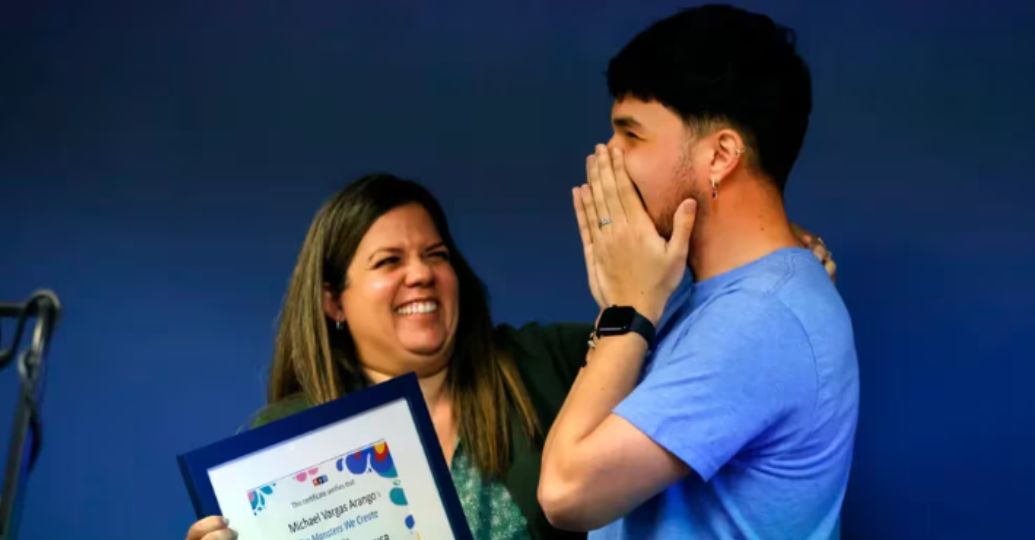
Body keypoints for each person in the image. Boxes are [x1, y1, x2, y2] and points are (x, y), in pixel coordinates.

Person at [538, 5, 859, 540]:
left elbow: (567, 494)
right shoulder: (720, 300)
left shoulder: (758, 318)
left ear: (721, 156)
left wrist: (626, 310)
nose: (606, 160)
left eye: (631, 136)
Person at [186, 174, 591, 540]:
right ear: (333, 302)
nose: (421, 274)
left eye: (436, 254)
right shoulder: (281, 441)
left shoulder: (543, 361)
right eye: (389, 261)